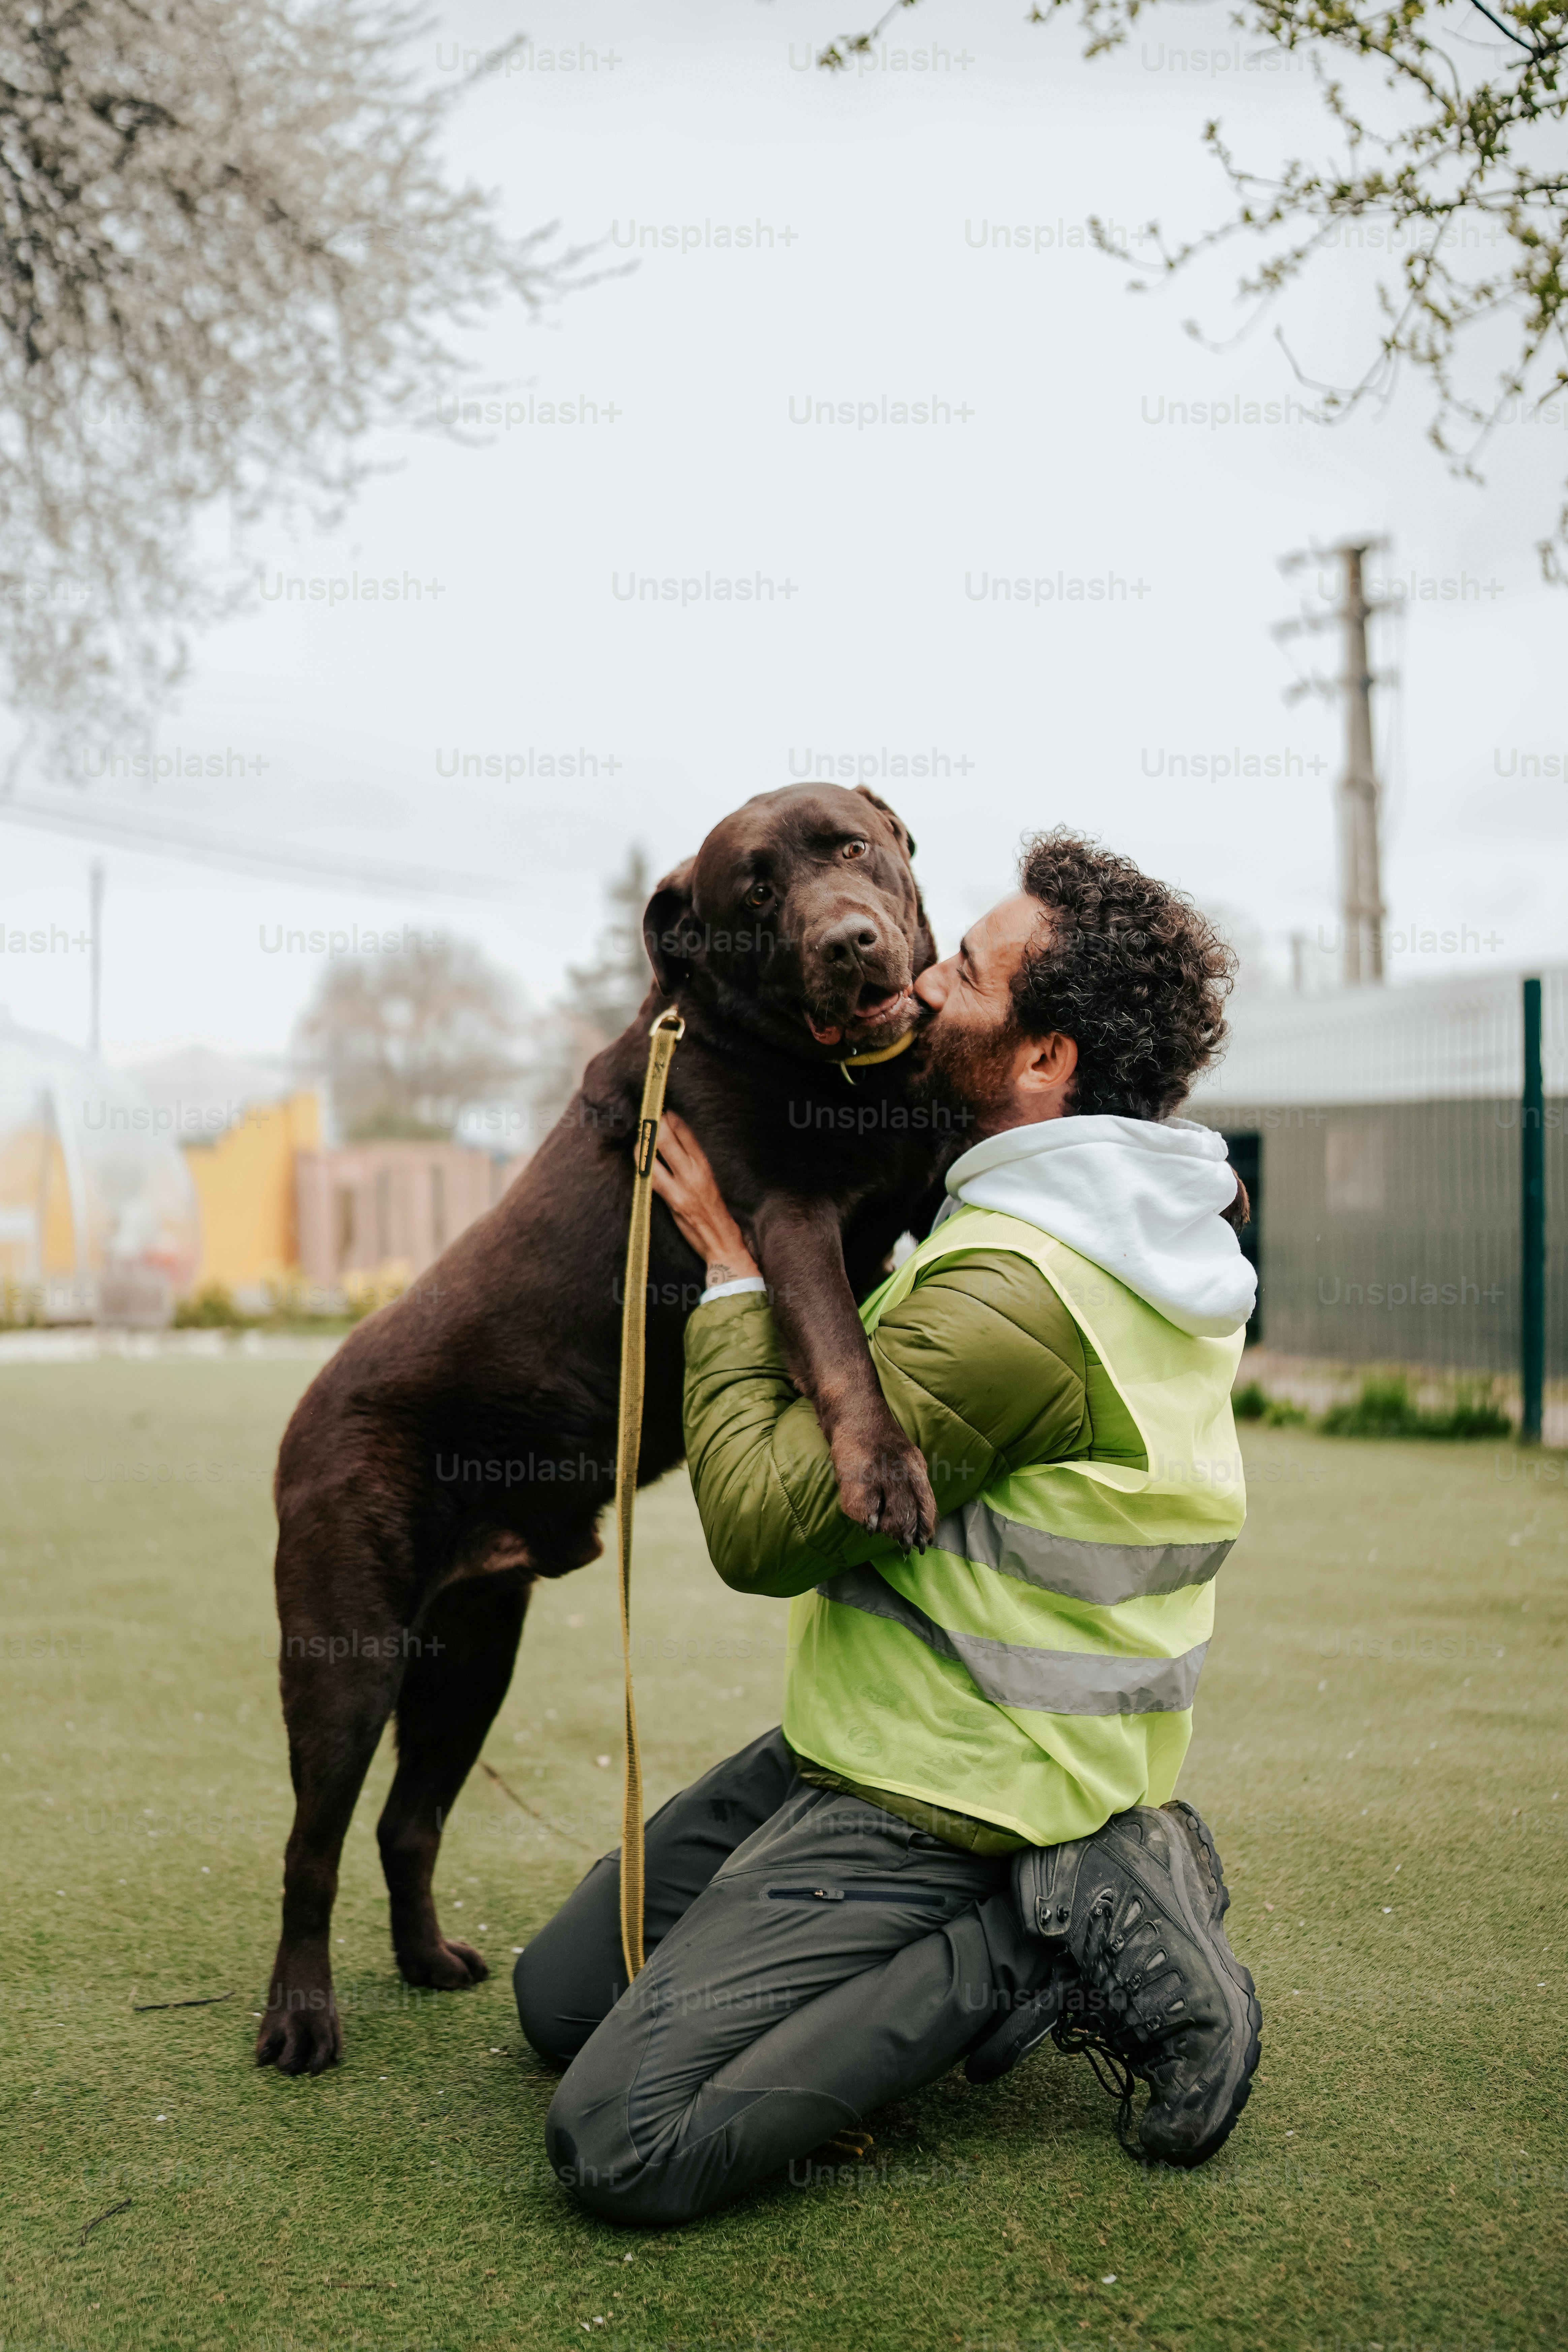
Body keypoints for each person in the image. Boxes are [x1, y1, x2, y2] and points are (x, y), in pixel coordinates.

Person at [515, 828, 1261, 2227]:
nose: (920, 984)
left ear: (1042, 1063)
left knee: (624, 2135)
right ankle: (1037, 1890)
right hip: (867, 1733)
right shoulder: (1059, 1208)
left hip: (969, 1783)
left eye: (965, 972)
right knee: (559, 1995)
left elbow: (767, 1530)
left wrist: (736, 1278)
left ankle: (1040, 1935)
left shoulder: (1020, 1299)